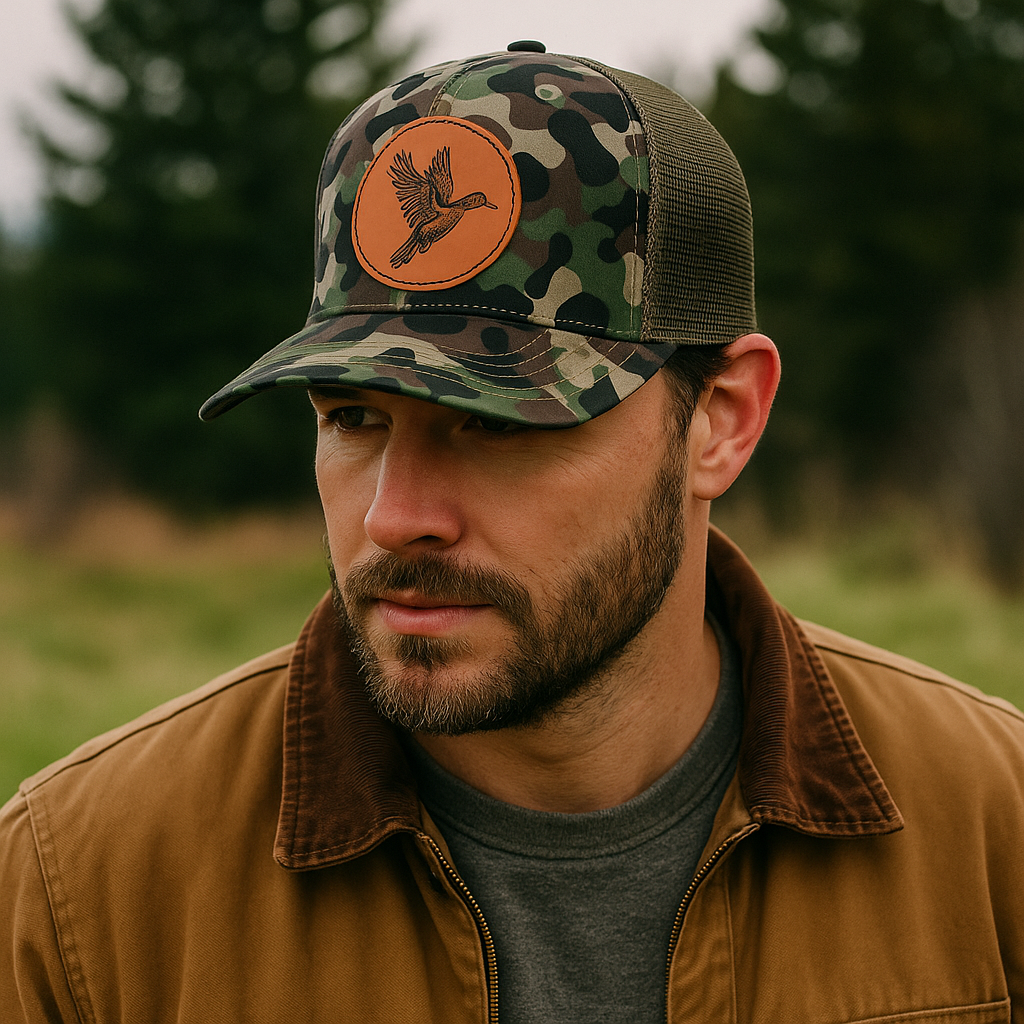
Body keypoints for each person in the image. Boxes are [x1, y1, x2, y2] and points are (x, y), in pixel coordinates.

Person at [2, 42, 1022, 1024]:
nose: (396, 516)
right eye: (352, 418)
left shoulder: (991, 831)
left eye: (496, 423)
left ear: (722, 419)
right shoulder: (80, 890)